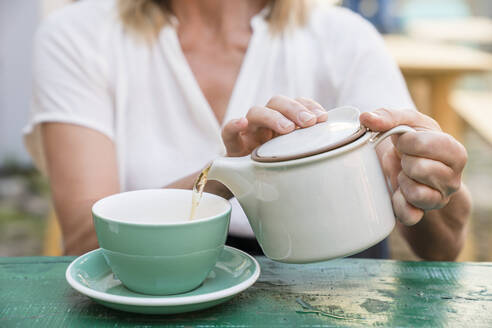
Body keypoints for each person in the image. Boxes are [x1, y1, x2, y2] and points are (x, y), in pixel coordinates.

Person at [24, 0, 471, 259]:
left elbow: (443, 248)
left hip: (341, 294)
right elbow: (85, 243)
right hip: (158, 289)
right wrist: (230, 174)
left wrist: (432, 183)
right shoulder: (78, 36)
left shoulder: (344, 38)